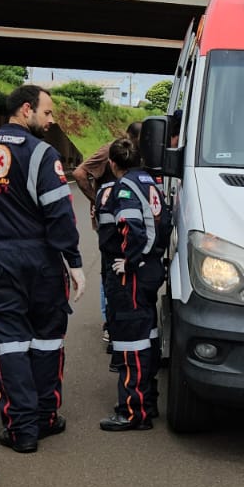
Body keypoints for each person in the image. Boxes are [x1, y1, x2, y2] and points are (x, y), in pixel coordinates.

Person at [0, 85, 86, 454]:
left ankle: (21, 429)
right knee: (47, 337)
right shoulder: (41, 154)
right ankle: (46, 416)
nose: (51, 121)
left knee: (9, 342)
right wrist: (73, 260)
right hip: (41, 257)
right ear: (26, 109)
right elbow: (59, 211)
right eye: (47, 113)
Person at [96, 137, 169, 431]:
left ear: (113, 164)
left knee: (130, 339)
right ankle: (147, 402)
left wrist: (129, 260)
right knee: (147, 335)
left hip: (132, 274)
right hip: (150, 270)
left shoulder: (124, 187)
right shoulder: (150, 182)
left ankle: (131, 411)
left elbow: (133, 227)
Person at [71, 121, 143, 358]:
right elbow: (79, 172)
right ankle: (109, 323)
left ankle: (122, 316)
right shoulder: (108, 151)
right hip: (109, 225)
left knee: (126, 266)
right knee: (109, 270)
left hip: (129, 220)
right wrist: (96, 200)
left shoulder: (138, 153)